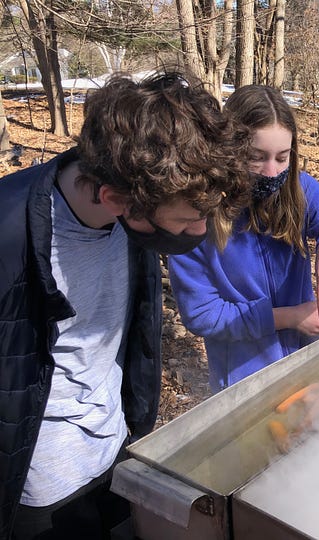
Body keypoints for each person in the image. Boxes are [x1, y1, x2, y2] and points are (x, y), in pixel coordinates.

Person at [0, 72, 251, 540]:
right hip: (40, 483)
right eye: (191, 219)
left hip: (118, 445)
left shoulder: (141, 194)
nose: (200, 234)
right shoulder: (8, 233)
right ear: (116, 200)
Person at [169, 85, 319, 393]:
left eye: (282, 157)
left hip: (306, 362)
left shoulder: (300, 190)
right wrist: (289, 317)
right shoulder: (196, 215)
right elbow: (203, 316)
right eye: (256, 157)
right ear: (229, 150)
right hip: (243, 379)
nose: (271, 171)